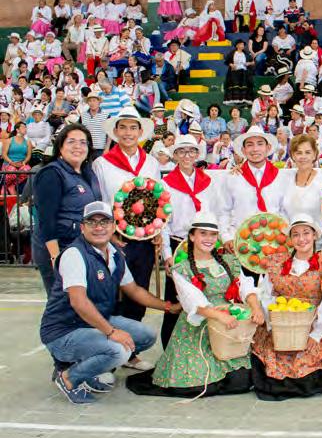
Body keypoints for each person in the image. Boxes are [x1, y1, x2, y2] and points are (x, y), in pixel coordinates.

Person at [40, 201, 177, 404]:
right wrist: (111, 332)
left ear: (113, 227)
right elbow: (79, 302)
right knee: (118, 350)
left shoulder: (114, 254)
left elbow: (134, 290)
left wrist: (168, 307)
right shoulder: (74, 255)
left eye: (104, 222)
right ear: (82, 227)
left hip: (92, 323)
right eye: (92, 222)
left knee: (146, 336)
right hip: (64, 330)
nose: (99, 227)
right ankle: (68, 377)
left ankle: (87, 368)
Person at [126, 211, 264, 398]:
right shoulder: (181, 269)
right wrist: (219, 315)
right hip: (199, 325)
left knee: (242, 379)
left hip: (227, 325)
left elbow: (245, 287)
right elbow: (194, 302)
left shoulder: (229, 262)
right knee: (194, 381)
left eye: (213, 234)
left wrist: (255, 307)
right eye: (203, 233)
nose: (209, 239)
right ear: (191, 236)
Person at [91, 107, 160, 371]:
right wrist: (108, 235)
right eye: (123, 127)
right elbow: (99, 202)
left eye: (133, 128)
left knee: (138, 293)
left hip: (144, 239)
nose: (128, 133)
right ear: (116, 132)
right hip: (113, 240)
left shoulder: (151, 162)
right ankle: (108, 357)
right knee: (110, 296)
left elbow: (158, 199)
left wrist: (158, 233)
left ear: (140, 132)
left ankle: (130, 353)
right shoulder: (102, 164)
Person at [248, 214, 322, 399]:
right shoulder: (276, 263)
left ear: (315, 236)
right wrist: (274, 325)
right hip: (279, 325)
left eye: (306, 233)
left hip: (312, 325)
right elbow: (265, 295)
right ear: (290, 239)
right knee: (272, 359)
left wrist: (316, 334)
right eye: (296, 234)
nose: (301, 239)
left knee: (307, 363)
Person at [157, 135, 215, 346]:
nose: (187, 156)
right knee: (175, 298)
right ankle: (169, 348)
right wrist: (167, 254)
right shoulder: (165, 184)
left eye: (191, 151)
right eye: (181, 151)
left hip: (204, 246)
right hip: (178, 244)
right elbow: (163, 222)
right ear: (175, 155)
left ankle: (200, 348)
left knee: (204, 296)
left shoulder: (209, 181)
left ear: (198, 154)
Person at [31, 124, 101, 294]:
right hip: (60, 248)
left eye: (83, 142)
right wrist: (55, 257)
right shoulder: (51, 173)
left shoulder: (88, 173)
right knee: (63, 303)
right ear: (60, 147)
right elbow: (47, 220)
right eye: (71, 142)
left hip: (81, 247)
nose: (78, 146)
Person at [217, 126, 289, 251]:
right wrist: (226, 237)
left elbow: (285, 211)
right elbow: (223, 211)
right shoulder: (233, 177)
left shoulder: (280, 177)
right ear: (243, 150)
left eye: (260, 144)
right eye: (250, 145)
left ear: (268, 148)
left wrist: (284, 235)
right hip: (240, 243)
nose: (255, 149)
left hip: (273, 243)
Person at [282, 135, 322, 250]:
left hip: (317, 245)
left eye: (307, 152)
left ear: (314, 154)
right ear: (293, 155)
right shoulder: (285, 177)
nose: (303, 157)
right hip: (289, 244)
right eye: (299, 153)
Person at [2, 121, 32, 192]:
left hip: (21, 163)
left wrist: (24, 162)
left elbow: (28, 155)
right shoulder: (9, 140)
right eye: (23, 127)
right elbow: (4, 154)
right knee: (12, 170)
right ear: (17, 130)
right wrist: (11, 162)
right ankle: (4, 187)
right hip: (9, 163)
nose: (25, 129)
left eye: (26, 127)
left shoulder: (28, 142)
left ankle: (12, 185)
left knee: (27, 169)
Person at [223, 38, 253, 106]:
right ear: (237, 45)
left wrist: (248, 63)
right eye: (241, 44)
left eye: (243, 44)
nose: (242, 46)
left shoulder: (246, 54)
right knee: (235, 85)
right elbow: (227, 61)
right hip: (234, 72)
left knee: (244, 85)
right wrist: (231, 65)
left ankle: (244, 99)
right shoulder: (232, 53)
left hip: (244, 73)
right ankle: (233, 100)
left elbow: (252, 62)